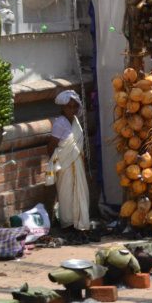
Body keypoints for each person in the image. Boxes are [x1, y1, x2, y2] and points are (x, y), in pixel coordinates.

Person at [48, 90, 90, 235]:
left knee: (80, 191)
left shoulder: (76, 122)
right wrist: (54, 163)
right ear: (63, 108)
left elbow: (79, 146)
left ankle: (80, 223)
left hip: (77, 161)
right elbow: (52, 145)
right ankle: (67, 224)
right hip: (64, 163)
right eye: (69, 107)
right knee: (66, 193)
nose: (72, 109)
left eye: (74, 107)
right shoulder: (60, 123)